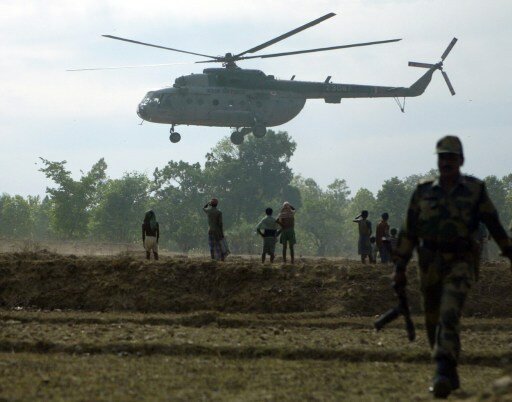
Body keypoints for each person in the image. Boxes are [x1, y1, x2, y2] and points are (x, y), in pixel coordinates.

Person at [393, 135, 512, 398]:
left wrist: (508, 250)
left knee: (449, 312)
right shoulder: (423, 191)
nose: (446, 162)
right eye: (442, 157)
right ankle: (449, 367)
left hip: (461, 262)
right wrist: (399, 267)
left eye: (451, 157)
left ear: (461, 160)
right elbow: (408, 231)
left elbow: (493, 223)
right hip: (429, 263)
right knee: (433, 319)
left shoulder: (474, 190)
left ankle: (442, 370)